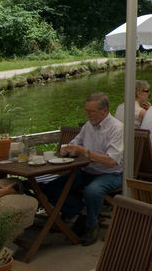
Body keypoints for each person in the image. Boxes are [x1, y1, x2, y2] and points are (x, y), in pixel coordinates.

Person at [46, 92, 123, 246]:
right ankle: (79, 211)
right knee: (52, 187)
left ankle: (91, 225)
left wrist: (85, 152)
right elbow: (76, 142)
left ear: (104, 111)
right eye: (86, 111)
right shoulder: (89, 125)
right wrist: (68, 149)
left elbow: (111, 161)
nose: (88, 115)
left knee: (92, 191)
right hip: (87, 171)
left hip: (110, 174)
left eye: (91, 112)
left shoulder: (117, 128)